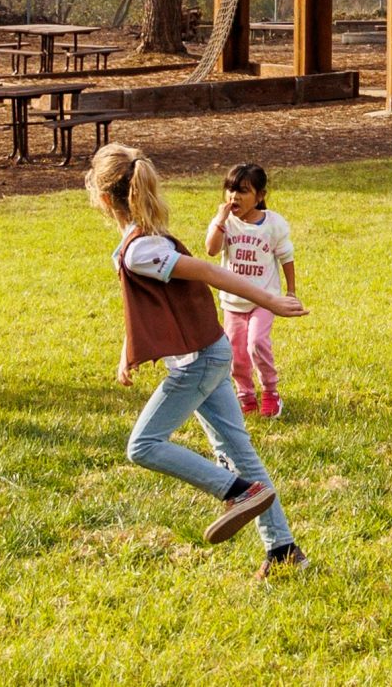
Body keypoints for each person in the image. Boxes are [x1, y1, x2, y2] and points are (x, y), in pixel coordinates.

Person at [87, 144, 312, 579]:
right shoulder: (143, 239)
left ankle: (236, 492)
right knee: (239, 453)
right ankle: (284, 551)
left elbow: (210, 272)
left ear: (101, 198)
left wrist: (269, 299)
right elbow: (150, 303)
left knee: (144, 446)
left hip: (199, 362)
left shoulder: (141, 248)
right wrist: (127, 352)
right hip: (208, 354)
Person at [204, 164, 297, 418]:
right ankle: (245, 393)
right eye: (231, 190)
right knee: (236, 353)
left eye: (243, 191)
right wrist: (220, 221)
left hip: (265, 299)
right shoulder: (226, 224)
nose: (235, 196)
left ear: (260, 196)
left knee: (257, 343)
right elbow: (211, 251)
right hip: (233, 302)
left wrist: (291, 292)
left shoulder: (274, 224)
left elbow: (287, 257)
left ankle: (270, 391)